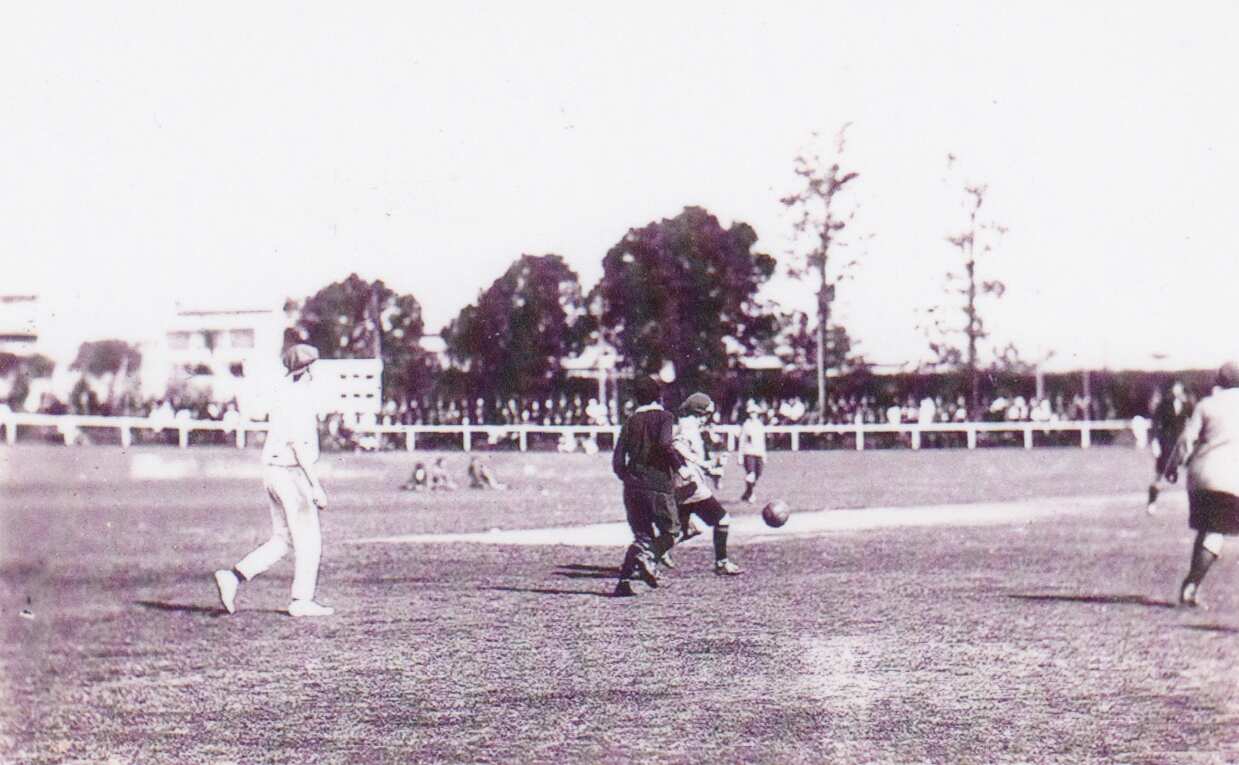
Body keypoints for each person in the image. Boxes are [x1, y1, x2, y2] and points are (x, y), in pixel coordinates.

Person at [213, 344, 333, 617]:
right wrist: (315, 485)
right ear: (309, 369)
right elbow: (300, 447)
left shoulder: (283, 392)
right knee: (309, 540)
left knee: (282, 540)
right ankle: (301, 600)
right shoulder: (300, 399)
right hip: (292, 473)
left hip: (271, 471)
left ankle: (234, 577)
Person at [1151, 363, 1239, 608]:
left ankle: (1191, 586)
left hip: (1201, 475)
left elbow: (1185, 442)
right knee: (1214, 534)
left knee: (1208, 530)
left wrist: (1170, 469)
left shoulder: (1206, 405)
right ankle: (1190, 585)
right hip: (1231, 477)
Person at [611, 376, 688, 597]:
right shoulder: (665, 417)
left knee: (642, 536)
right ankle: (649, 556)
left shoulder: (629, 422)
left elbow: (617, 460)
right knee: (673, 531)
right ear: (659, 396)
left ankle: (623, 583)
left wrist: (629, 477)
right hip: (658, 485)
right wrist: (680, 467)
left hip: (632, 487)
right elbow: (665, 444)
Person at [666, 392, 742, 575]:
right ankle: (722, 563)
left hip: (684, 486)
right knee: (722, 519)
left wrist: (710, 470)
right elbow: (677, 446)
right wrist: (702, 464)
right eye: (706, 414)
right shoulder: (688, 427)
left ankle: (648, 554)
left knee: (685, 531)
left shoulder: (689, 426)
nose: (707, 419)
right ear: (699, 412)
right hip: (691, 487)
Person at [739, 401, 767, 503]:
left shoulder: (760, 425)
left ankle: (747, 492)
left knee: (758, 474)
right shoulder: (746, 425)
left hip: (759, 453)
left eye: (754, 412)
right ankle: (750, 494)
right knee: (751, 474)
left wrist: (764, 455)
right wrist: (740, 456)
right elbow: (742, 441)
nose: (753, 414)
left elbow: (762, 441)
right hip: (749, 453)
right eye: (751, 412)